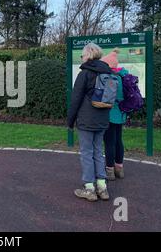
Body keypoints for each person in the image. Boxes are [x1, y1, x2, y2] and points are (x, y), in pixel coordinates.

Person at [67, 43, 112, 202]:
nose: (82, 57)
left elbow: (75, 99)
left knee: (86, 152)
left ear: (89, 55)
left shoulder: (85, 73)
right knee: (98, 151)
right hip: (102, 119)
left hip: (86, 119)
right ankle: (102, 187)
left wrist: (70, 121)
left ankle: (89, 189)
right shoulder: (108, 72)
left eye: (82, 55)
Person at [101, 49, 128, 180]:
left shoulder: (110, 78)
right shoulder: (123, 76)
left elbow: (106, 98)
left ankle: (110, 171)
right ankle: (119, 169)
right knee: (118, 141)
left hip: (110, 113)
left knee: (109, 142)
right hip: (121, 113)